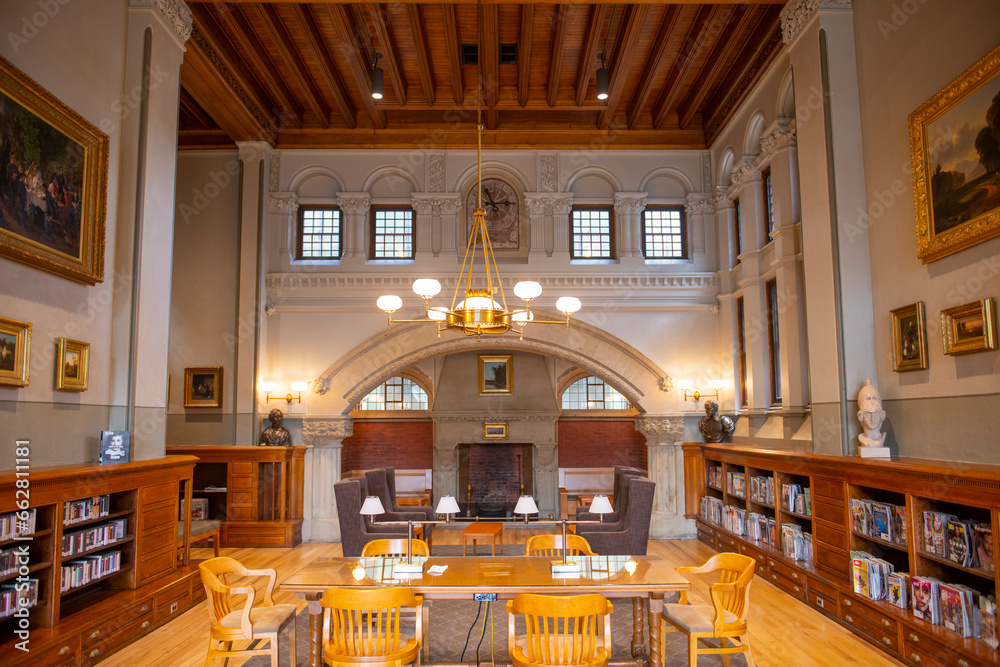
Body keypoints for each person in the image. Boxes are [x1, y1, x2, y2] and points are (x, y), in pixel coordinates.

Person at [857, 377, 886, 448]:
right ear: (861, 416)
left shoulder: (882, 438)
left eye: (876, 414)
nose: (872, 419)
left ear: (882, 415)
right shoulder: (861, 439)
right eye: (868, 414)